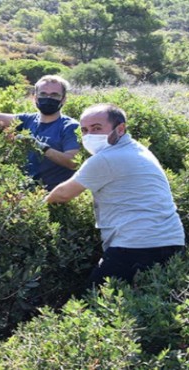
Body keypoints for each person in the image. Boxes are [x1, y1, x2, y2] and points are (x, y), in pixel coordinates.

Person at [45, 103, 185, 286]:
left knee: (92, 303)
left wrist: (38, 207)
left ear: (120, 128)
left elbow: (63, 194)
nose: (90, 136)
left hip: (135, 245)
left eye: (97, 128)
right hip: (171, 241)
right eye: (85, 130)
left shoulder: (106, 158)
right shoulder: (139, 149)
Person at [0, 75, 80, 190]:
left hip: (55, 194)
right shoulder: (28, 119)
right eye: (43, 94)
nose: (48, 98)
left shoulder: (70, 127)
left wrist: (38, 145)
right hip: (25, 191)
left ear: (63, 99)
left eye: (54, 95)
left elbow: (73, 162)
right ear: (35, 97)